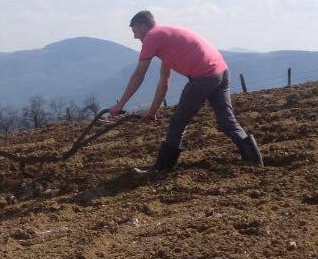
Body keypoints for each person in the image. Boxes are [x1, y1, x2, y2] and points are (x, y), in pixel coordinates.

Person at [105, 11, 263, 172]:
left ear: (143, 26)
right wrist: (152, 112)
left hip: (203, 76)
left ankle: (161, 169)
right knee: (227, 121)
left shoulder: (152, 37)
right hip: (221, 72)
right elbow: (164, 80)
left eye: (135, 32)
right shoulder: (166, 37)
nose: (135, 37)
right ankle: (254, 160)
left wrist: (120, 105)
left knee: (178, 122)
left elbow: (139, 75)